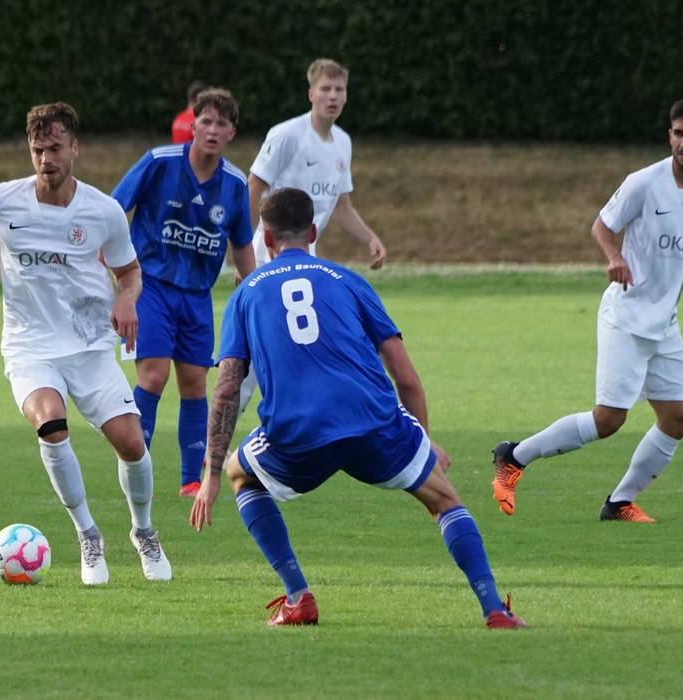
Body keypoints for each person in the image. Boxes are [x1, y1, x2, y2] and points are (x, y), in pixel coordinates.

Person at [190, 187, 527, 630]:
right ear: (313, 232)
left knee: (241, 474)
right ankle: (494, 609)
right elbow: (406, 377)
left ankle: (299, 598)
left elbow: (227, 386)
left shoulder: (246, 293)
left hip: (298, 433)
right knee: (444, 500)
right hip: (373, 422)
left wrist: (212, 472)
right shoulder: (348, 280)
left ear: (266, 238)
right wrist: (422, 444)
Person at [491, 98, 683, 523]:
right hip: (625, 317)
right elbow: (601, 226)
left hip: (664, 324)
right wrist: (614, 257)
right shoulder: (644, 183)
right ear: (669, 136)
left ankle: (619, 502)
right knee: (608, 420)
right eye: (678, 133)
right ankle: (513, 457)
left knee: (676, 417)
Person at [0, 102, 171, 585]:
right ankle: (88, 536)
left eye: (54, 148)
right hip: (29, 347)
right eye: (37, 150)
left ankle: (143, 532)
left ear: (75, 147)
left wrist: (127, 300)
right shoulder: (1, 200)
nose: (45, 159)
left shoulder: (103, 210)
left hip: (89, 346)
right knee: (51, 425)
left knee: (132, 443)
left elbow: (130, 271)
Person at [112, 87, 255, 499]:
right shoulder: (159, 162)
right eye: (205, 121)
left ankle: (191, 480)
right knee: (153, 376)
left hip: (196, 296)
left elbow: (242, 245)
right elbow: (112, 209)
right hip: (149, 286)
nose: (212, 130)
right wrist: (113, 271)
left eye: (221, 124)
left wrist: (256, 290)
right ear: (192, 126)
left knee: (194, 384)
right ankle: (136, 468)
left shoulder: (234, 184)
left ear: (231, 133)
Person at [236, 58, 388, 415]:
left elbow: (341, 205)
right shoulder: (286, 135)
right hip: (268, 253)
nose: (332, 96)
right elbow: (252, 189)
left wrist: (369, 238)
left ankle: (300, 421)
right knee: (258, 348)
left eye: (339, 89)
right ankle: (218, 431)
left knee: (299, 343)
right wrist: (243, 255)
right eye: (325, 89)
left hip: (307, 259)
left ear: (346, 96)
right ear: (311, 94)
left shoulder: (343, 143)